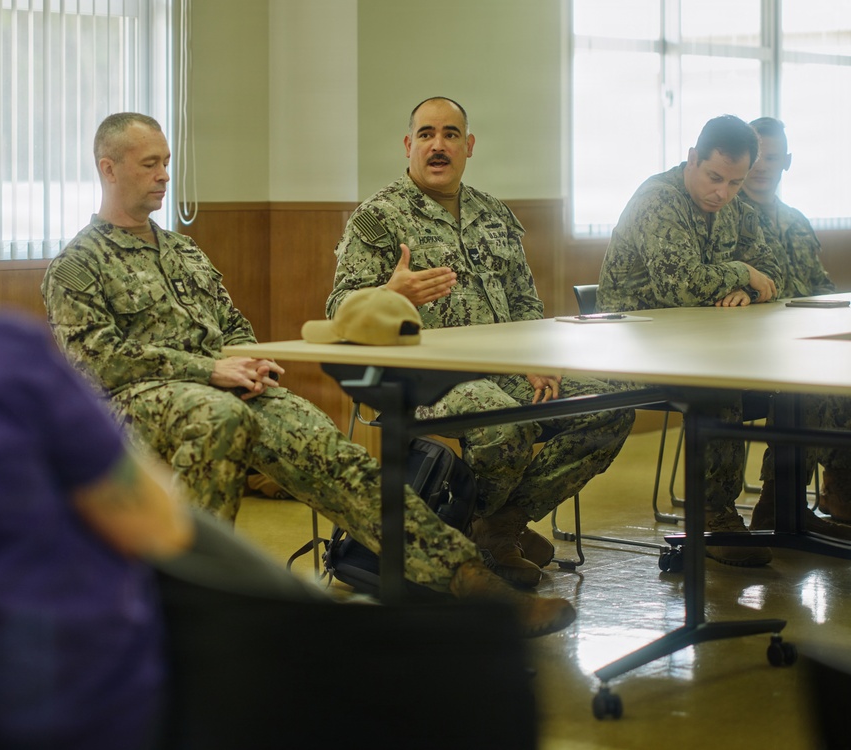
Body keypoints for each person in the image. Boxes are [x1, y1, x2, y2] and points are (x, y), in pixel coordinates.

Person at [0, 118, 334, 748]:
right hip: (59, 706)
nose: (162, 175)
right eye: (149, 162)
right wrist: (307, 626)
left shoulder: (169, 260)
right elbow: (161, 527)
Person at [40, 111, 576, 637]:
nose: (164, 175)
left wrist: (254, 360)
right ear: (109, 168)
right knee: (220, 419)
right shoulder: (78, 265)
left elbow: (232, 324)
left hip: (226, 387)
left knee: (338, 457)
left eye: (166, 162)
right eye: (149, 164)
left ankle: (472, 582)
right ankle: (198, 611)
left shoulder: (183, 251)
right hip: (137, 401)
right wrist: (210, 369)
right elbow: (96, 361)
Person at [327, 97, 635, 586]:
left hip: (505, 366)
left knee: (611, 405)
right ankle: (483, 536)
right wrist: (389, 294)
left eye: (450, 134)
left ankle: (497, 525)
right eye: (426, 134)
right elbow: (338, 311)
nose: (438, 145)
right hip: (425, 376)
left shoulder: (493, 214)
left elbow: (525, 303)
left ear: (468, 146)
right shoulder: (378, 218)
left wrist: (535, 356)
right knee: (502, 426)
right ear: (408, 145)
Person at [596, 114, 783, 566]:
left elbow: (774, 269)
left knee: (791, 382)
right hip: (634, 343)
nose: (723, 193)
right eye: (715, 177)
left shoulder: (733, 205)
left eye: (736, 182)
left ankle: (784, 504)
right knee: (719, 382)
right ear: (693, 158)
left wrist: (749, 288)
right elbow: (680, 287)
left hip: (698, 339)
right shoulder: (660, 199)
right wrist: (741, 273)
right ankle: (714, 516)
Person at [739, 117, 851, 534]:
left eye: (772, 158)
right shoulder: (727, 220)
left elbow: (822, 288)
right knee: (810, 380)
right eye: (756, 157)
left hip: (806, 342)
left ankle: (839, 490)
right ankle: (778, 501)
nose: (762, 167)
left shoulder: (796, 221)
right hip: (747, 350)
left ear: (787, 162)